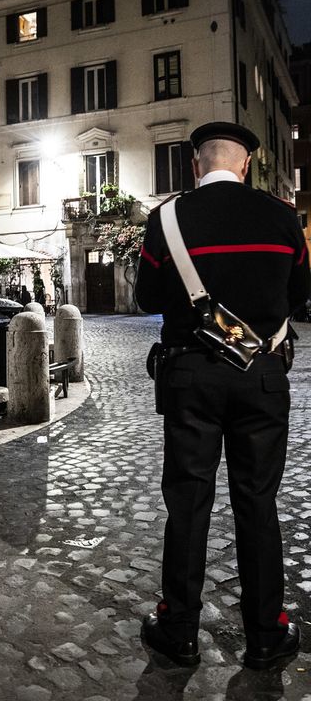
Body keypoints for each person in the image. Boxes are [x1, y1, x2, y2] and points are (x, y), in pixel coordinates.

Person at [135, 122, 309, 670]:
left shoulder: (166, 219)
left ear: (194, 165)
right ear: (247, 164)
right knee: (257, 503)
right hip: (261, 376)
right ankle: (265, 634)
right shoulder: (282, 217)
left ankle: (179, 629)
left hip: (190, 376)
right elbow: (301, 295)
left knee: (187, 504)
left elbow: (144, 297)